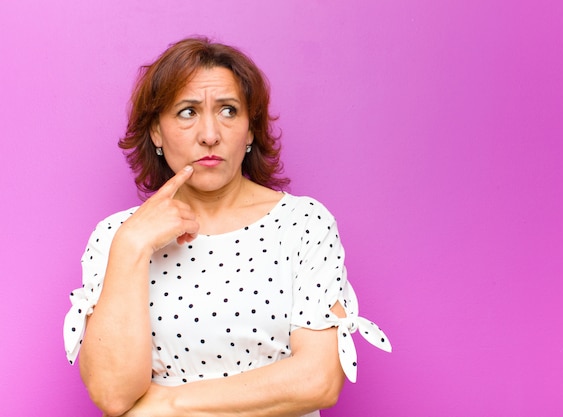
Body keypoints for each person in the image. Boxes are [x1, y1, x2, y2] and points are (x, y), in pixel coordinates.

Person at [63, 36, 391, 417]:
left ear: (250, 130)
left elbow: (317, 380)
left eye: (229, 111)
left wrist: (168, 405)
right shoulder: (117, 236)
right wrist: (133, 244)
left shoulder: (304, 224)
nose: (209, 134)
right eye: (187, 112)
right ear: (156, 131)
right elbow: (111, 393)